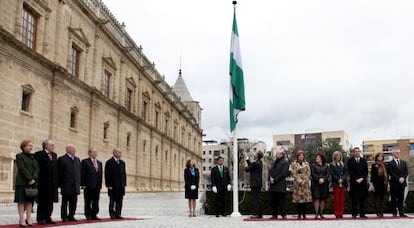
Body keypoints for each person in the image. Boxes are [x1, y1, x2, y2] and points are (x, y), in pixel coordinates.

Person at [15, 140, 39, 227]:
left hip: (32, 182)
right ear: (23, 146)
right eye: (29, 145)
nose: (31, 147)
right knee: (21, 201)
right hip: (22, 182)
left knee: (29, 201)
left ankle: (29, 218)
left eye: (31, 146)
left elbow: (37, 168)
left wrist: (34, 178)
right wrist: (29, 178)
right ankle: (21, 219)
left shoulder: (33, 157)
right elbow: (22, 168)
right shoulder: (19, 156)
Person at [35, 140, 58, 225]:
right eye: (51, 145)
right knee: (42, 201)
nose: (53, 146)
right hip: (43, 182)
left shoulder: (54, 155)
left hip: (52, 182)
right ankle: (40, 218)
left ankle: (48, 217)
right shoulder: (39, 155)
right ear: (45, 146)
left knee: (50, 200)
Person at [57, 144, 81, 222]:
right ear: (67, 150)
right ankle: (64, 216)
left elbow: (79, 172)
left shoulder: (77, 159)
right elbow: (60, 172)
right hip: (66, 184)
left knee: (74, 202)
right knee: (65, 202)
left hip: (75, 184)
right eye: (73, 149)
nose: (74, 150)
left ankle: (71, 215)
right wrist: (60, 184)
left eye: (75, 149)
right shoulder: (62, 159)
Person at [81, 148, 103, 220]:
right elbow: (83, 173)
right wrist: (83, 184)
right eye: (93, 152)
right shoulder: (85, 162)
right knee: (88, 201)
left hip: (97, 185)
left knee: (96, 200)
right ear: (89, 153)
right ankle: (88, 215)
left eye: (96, 152)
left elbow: (100, 174)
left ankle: (94, 214)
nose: (95, 154)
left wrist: (100, 184)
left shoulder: (99, 163)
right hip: (88, 185)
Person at [105, 148, 127, 219]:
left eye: (121, 152)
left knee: (120, 201)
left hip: (121, 186)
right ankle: (112, 214)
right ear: (114, 153)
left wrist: (124, 183)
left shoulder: (122, 163)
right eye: (119, 152)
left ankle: (118, 213)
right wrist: (108, 185)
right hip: (113, 186)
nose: (120, 154)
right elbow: (107, 174)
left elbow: (124, 174)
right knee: (112, 201)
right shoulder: (109, 162)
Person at [347, 147, 368, 218]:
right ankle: (354, 213)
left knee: (362, 199)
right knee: (354, 199)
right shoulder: (350, 161)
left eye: (358, 151)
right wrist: (356, 179)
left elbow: (366, 171)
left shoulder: (364, 160)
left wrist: (362, 178)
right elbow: (350, 171)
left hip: (362, 182)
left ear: (360, 152)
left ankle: (362, 214)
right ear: (353, 153)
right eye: (355, 151)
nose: (357, 152)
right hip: (354, 182)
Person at [268, 150, 289, 219]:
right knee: (273, 201)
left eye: (278, 153)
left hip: (280, 184)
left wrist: (275, 179)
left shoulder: (285, 162)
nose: (277, 154)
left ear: (282, 154)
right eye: (276, 153)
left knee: (281, 201)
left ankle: (283, 214)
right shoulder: (274, 162)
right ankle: (274, 215)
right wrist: (270, 178)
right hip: (273, 185)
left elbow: (284, 173)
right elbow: (270, 171)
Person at [291, 150, 312, 219]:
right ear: (297, 156)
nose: (301, 157)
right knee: (298, 200)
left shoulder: (307, 163)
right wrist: (299, 181)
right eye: (300, 155)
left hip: (305, 184)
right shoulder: (294, 164)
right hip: (297, 184)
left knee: (305, 200)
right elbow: (294, 173)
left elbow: (308, 173)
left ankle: (304, 214)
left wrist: (304, 180)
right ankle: (299, 214)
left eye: (302, 155)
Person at [387, 149, 408, 217]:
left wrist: (403, 178)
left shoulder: (403, 162)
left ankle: (401, 212)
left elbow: (406, 172)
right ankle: (394, 212)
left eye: (398, 152)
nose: (397, 153)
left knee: (401, 198)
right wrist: (398, 178)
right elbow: (391, 173)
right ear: (393, 154)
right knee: (393, 198)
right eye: (396, 152)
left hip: (402, 183)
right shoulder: (390, 163)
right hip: (394, 184)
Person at [244, 150, 264, 219]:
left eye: (255, 153)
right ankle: (259, 214)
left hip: (255, 183)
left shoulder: (256, 163)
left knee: (256, 199)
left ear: (257, 156)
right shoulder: (259, 162)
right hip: (258, 183)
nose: (254, 154)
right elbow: (251, 166)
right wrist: (247, 159)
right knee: (258, 198)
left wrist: (245, 165)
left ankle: (256, 214)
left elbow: (247, 169)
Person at [329, 151, 348, 218]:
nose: (338, 157)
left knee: (342, 199)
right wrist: (338, 179)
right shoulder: (332, 164)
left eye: (339, 156)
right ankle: (337, 213)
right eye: (336, 156)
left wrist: (342, 179)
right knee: (336, 199)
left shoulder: (344, 164)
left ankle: (341, 213)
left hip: (343, 184)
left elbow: (346, 173)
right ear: (334, 157)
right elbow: (332, 173)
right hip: (336, 184)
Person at [311, 153, 330, 219]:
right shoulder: (313, 165)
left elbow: (327, 174)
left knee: (323, 199)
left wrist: (323, 179)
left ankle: (321, 214)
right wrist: (319, 179)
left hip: (324, 184)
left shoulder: (326, 166)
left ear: (321, 159)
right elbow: (313, 174)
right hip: (316, 184)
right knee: (316, 198)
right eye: (316, 157)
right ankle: (316, 214)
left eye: (318, 157)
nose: (317, 158)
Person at [370, 152, 388, 217]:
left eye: (381, 156)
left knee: (382, 198)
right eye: (379, 156)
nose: (380, 157)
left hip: (383, 184)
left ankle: (382, 212)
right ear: (377, 157)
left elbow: (387, 175)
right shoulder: (374, 165)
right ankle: (378, 212)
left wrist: (388, 184)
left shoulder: (385, 165)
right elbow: (372, 175)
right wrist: (371, 184)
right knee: (377, 198)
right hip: (376, 184)